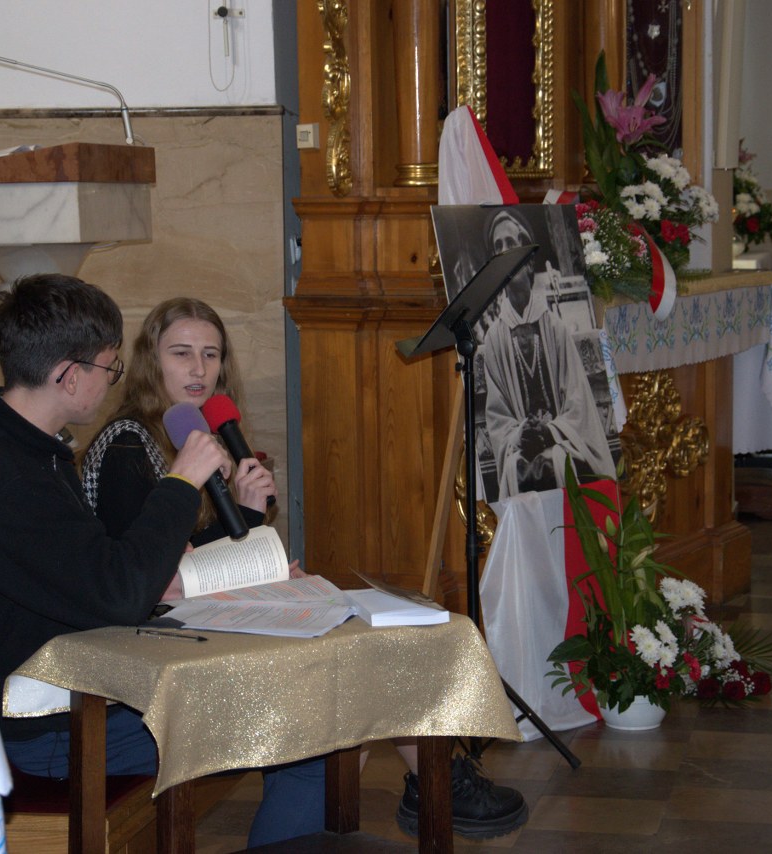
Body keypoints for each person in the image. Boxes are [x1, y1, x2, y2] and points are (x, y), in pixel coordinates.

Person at [82, 297, 529, 840]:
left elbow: (194, 554)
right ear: (151, 361)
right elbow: (146, 573)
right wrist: (247, 538)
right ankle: (435, 779)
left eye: (211, 354)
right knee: (331, 711)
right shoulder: (128, 445)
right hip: (148, 653)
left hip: (195, 622)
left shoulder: (196, 434)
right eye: (181, 353)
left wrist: (247, 516)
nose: (199, 369)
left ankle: (433, 776)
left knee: (355, 646)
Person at [0, 275, 324, 847]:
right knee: (311, 733)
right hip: (48, 726)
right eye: (108, 366)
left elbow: (99, 574)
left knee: (297, 702)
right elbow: (118, 593)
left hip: (79, 684)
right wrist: (180, 483)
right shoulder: (7, 476)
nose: (112, 379)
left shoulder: (23, 448)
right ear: (70, 376)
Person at [479, 208, 614, 499]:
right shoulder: (494, 339)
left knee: (557, 460)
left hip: (561, 440)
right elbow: (498, 418)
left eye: (511, 243)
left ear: (530, 261)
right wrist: (520, 434)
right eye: (498, 246)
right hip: (519, 448)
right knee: (516, 468)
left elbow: (578, 402)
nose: (504, 252)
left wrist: (550, 431)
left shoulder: (555, 327)